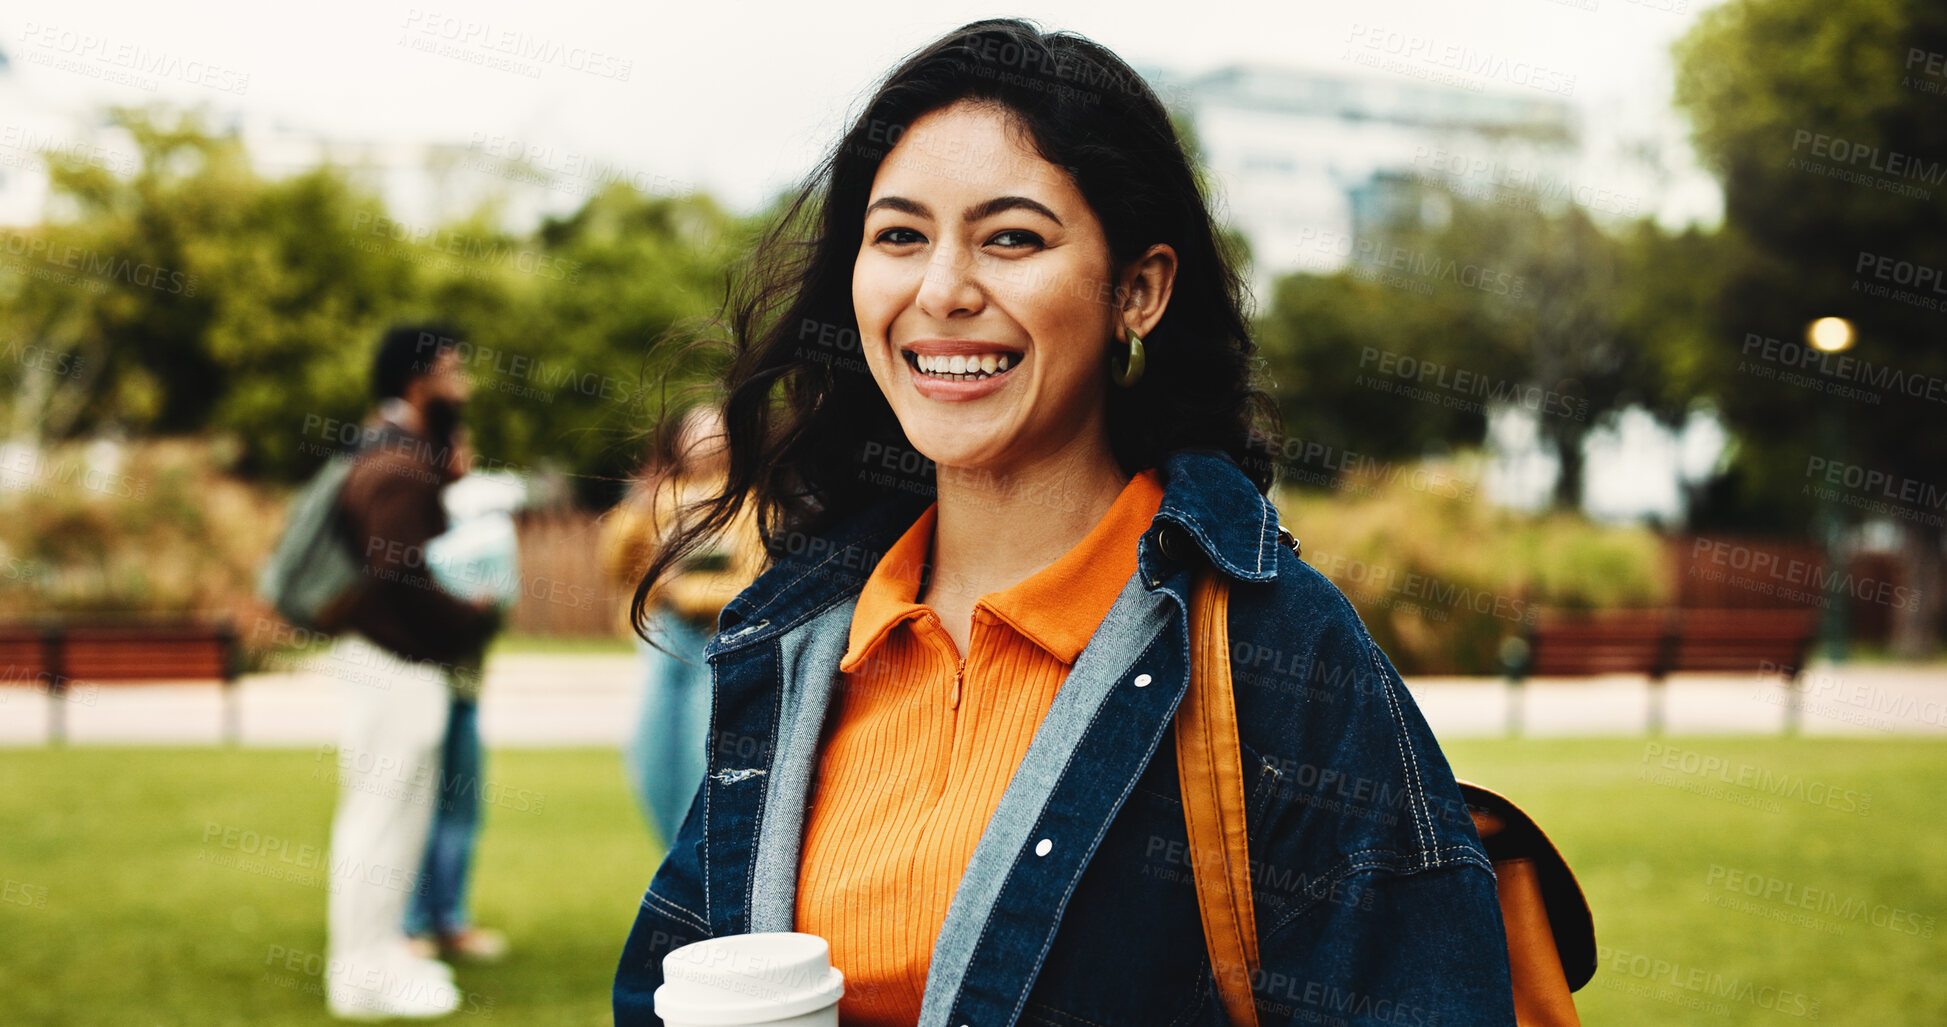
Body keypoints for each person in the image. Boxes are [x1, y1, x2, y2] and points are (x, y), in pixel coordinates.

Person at [613, 20, 1514, 1026]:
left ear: (1138, 290)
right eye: (900, 235)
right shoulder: (794, 640)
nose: (942, 291)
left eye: (1011, 238)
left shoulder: (1275, 649)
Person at [325, 324, 501, 1019]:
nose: (463, 385)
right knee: (378, 819)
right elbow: (403, 575)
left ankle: (377, 960)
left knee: (396, 818)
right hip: (390, 667)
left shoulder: (398, 456)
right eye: (453, 370)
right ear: (415, 379)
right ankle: (358, 972)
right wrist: (472, 611)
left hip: (398, 667)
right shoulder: (394, 466)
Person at [599, 405, 763, 848]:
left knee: (700, 757)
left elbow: (749, 583)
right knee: (648, 755)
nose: (703, 443)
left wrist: (681, 591)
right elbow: (618, 565)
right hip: (663, 639)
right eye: (695, 433)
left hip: (714, 640)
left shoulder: (748, 501)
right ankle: (672, 854)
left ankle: (698, 860)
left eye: (715, 434)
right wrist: (636, 508)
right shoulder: (663, 497)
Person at [404, 423, 512, 965]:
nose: (469, 454)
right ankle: (413, 924)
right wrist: (471, 608)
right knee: (421, 804)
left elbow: (500, 604)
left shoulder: (480, 522)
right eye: (461, 443)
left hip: (464, 685)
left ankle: (447, 920)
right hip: (423, 684)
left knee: (460, 806)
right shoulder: (417, 517)